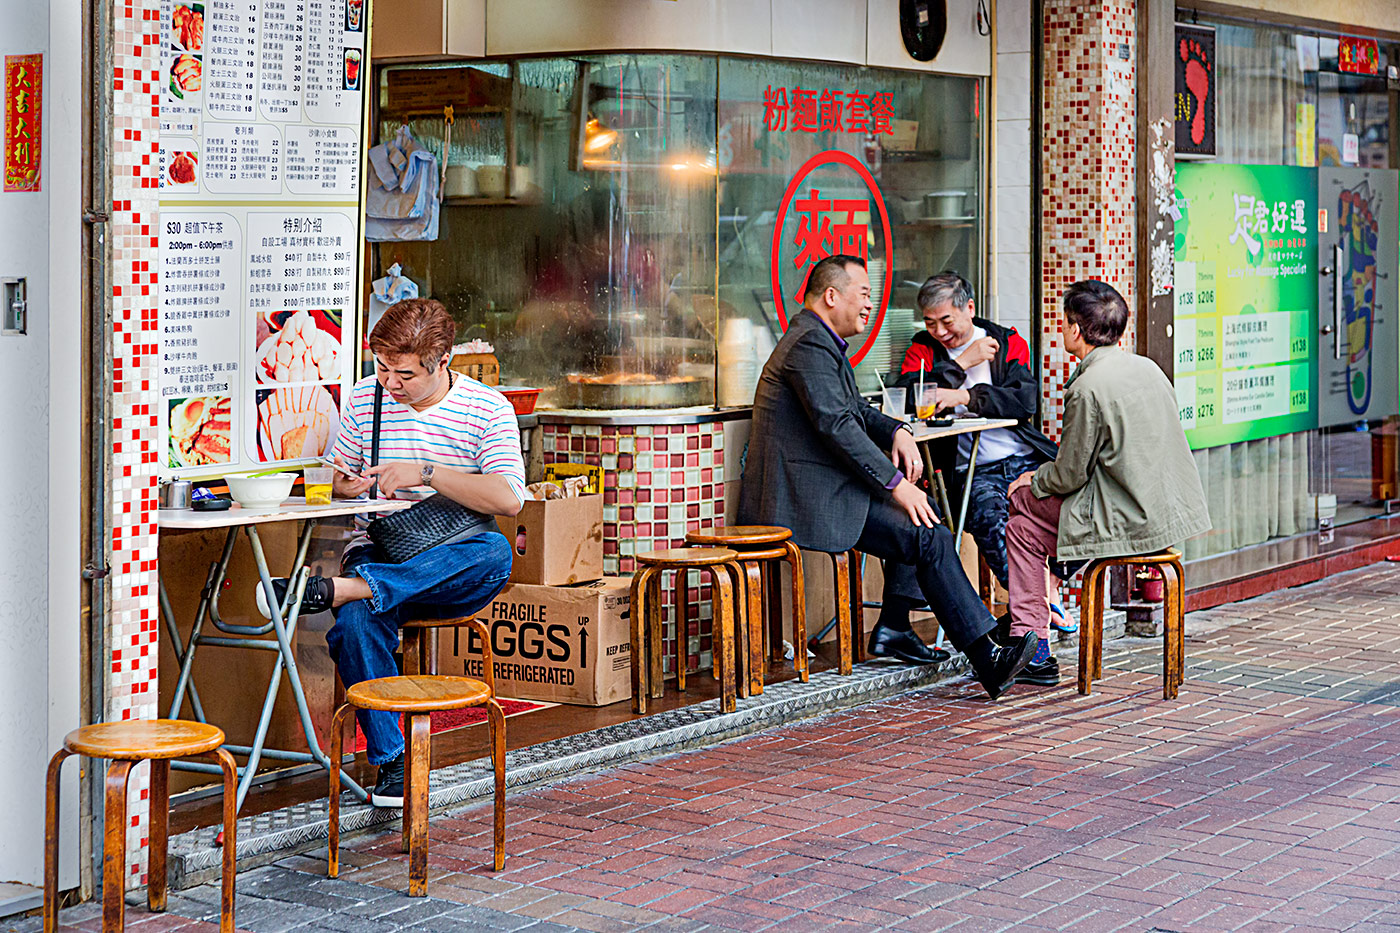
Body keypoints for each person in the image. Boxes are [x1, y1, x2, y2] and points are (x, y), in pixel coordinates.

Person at [256, 298, 526, 806]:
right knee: (356, 622)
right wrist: (346, 486)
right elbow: (331, 478)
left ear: (442, 361)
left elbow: (508, 499)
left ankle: (340, 590)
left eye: (403, 374)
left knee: (494, 552)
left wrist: (425, 473)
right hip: (381, 551)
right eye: (381, 367)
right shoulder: (364, 400)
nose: (389, 383)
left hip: (455, 565)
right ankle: (391, 761)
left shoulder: (488, 409)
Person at [738, 254, 1037, 697]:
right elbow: (836, 426)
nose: (869, 307)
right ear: (831, 295)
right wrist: (896, 487)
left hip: (824, 489)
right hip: (808, 499)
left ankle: (896, 627)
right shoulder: (808, 345)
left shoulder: (816, 338)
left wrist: (896, 430)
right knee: (925, 527)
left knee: (925, 514)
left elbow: (855, 409)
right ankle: (986, 654)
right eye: (863, 295)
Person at [1005, 280, 1210, 686]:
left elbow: (1068, 475)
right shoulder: (1146, 367)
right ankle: (1037, 626)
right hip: (1166, 513)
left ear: (1076, 330)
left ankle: (1035, 643)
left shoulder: (1087, 387)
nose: (1060, 330)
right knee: (1022, 528)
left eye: (1063, 323)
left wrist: (1031, 480)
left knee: (1019, 504)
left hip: (1126, 518)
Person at [882, 274, 1065, 660]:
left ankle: (1046, 599)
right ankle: (1033, 631)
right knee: (992, 523)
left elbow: (1024, 400)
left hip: (1023, 457)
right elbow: (912, 399)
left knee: (1066, 512)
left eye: (946, 321)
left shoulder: (1005, 341)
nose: (939, 331)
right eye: (930, 322)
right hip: (970, 468)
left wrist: (964, 395)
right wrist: (961, 362)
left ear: (969, 308)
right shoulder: (923, 349)